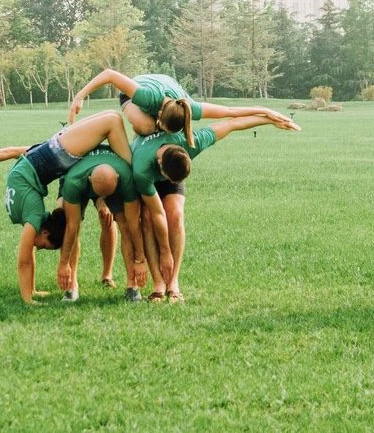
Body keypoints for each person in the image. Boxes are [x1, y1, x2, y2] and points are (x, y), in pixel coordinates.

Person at [0, 111, 135, 304]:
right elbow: (11, 152)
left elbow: (10, 152)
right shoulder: (34, 198)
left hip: (64, 152)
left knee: (112, 120)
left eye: (44, 245)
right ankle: (72, 285)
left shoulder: (34, 204)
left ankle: (134, 171)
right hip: (65, 161)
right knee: (71, 221)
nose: (39, 247)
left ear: (45, 231)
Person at [131, 115, 301, 303]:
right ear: (161, 166)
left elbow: (231, 123)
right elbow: (157, 214)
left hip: (172, 166)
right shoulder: (142, 168)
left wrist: (270, 120)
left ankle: (173, 283)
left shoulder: (190, 142)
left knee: (176, 214)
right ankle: (158, 284)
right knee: (147, 217)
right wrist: (165, 252)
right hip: (149, 176)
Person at [68, 69, 295, 141]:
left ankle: (154, 132)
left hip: (167, 89)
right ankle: (148, 131)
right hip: (137, 91)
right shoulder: (146, 97)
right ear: (158, 114)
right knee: (145, 128)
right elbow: (109, 74)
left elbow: (230, 112)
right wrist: (79, 97)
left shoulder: (190, 108)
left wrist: (268, 113)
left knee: (154, 131)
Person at [57, 145, 147, 302]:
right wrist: (63, 263)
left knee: (125, 223)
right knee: (69, 224)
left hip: (111, 179)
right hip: (81, 173)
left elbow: (133, 225)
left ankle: (132, 286)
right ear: (90, 180)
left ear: (118, 178)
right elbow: (71, 226)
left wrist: (140, 260)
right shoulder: (74, 181)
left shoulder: (126, 177)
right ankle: (72, 285)